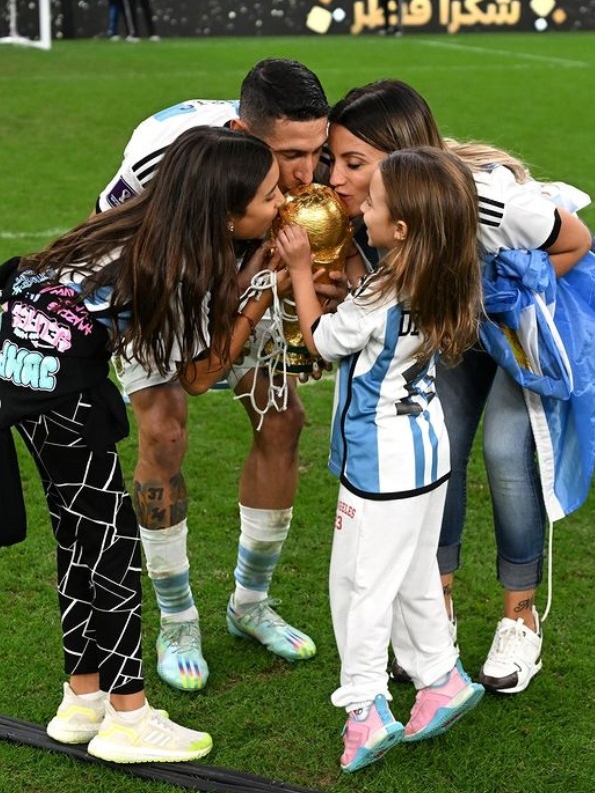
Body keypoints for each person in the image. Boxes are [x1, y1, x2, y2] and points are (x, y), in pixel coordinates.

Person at [0, 126, 285, 763]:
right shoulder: (178, 264)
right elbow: (200, 376)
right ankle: (128, 716)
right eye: (268, 197)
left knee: (78, 536)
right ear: (225, 212)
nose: (280, 204)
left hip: (18, 361)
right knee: (112, 544)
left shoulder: (143, 219)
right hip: (59, 385)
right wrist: (259, 287)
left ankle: (84, 700)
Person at [326, 79, 593, 694]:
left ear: (400, 157)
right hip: (461, 319)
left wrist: (494, 305)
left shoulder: (490, 201)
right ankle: (434, 607)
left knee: (505, 447)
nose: (336, 178)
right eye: (334, 160)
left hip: (530, 315)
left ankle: (520, 616)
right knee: (436, 438)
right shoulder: (377, 207)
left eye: (354, 163)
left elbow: (574, 242)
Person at [95, 59, 329, 691]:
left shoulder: (295, 163)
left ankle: (249, 605)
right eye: (290, 157)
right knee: (164, 430)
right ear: (240, 133)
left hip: (243, 255)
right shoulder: (159, 167)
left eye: (317, 151)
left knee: (283, 420)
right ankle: (177, 620)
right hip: (149, 271)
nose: (308, 174)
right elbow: (200, 374)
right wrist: (248, 292)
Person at [275, 147, 485, 773]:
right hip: (429, 453)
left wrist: (301, 271)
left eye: (371, 204)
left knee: (358, 588)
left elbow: (322, 339)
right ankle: (440, 676)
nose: (359, 209)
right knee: (415, 573)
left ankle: (364, 709)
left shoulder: (381, 290)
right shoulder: (448, 270)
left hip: (382, 462)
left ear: (401, 230)